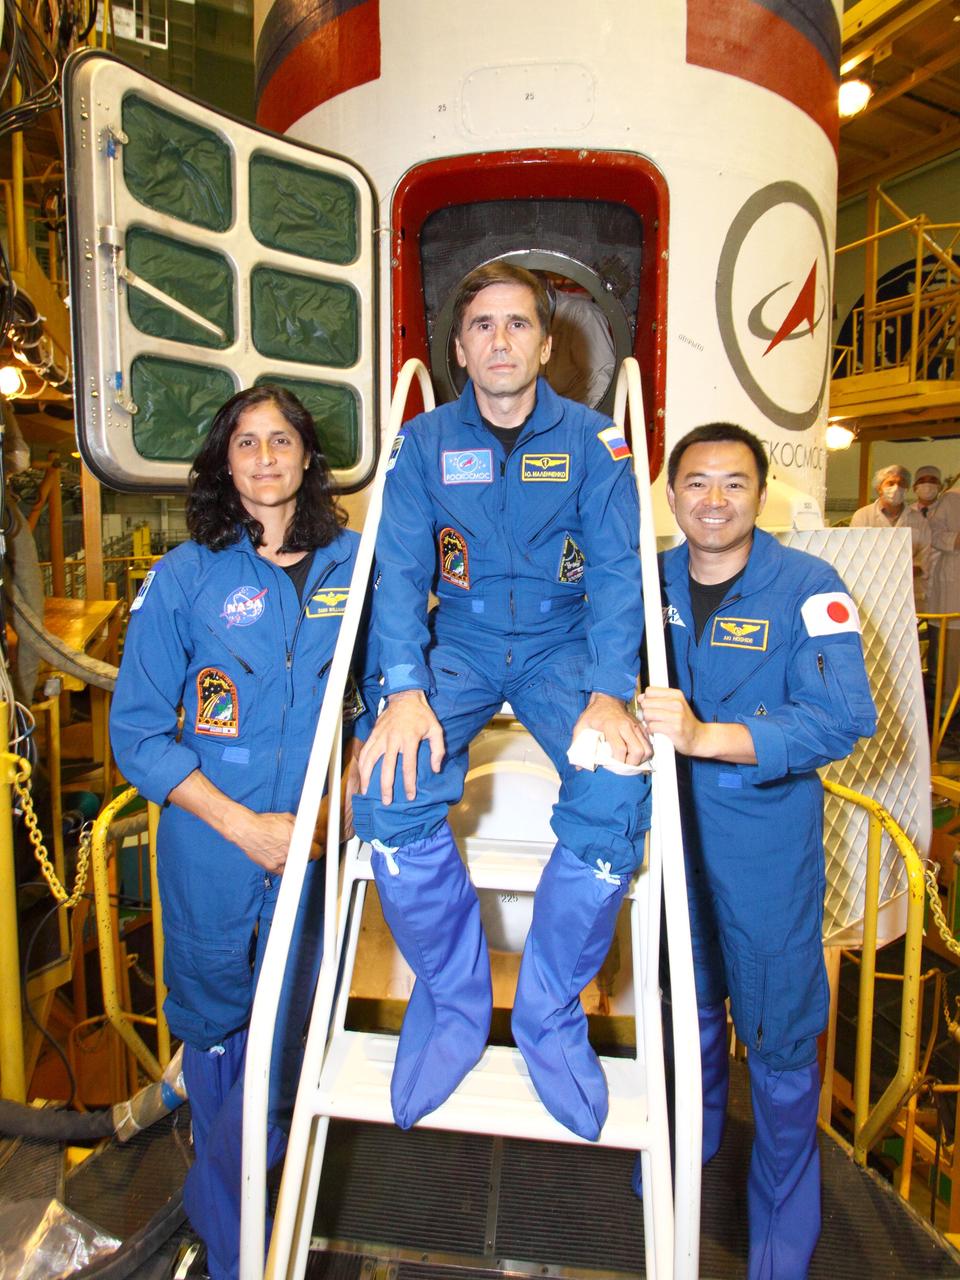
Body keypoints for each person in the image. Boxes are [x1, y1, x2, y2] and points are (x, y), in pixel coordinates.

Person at [352, 261, 652, 1142]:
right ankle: (452, 1001)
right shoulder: (423, 446)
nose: (500, 341)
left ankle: (550, 1013)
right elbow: (400, 576)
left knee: (617, 787)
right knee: (388, 785)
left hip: (565, 650)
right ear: (458, 348)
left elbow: (617, 577)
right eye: (482, 326)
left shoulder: (598, 447)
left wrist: (608, 691)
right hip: (465, 645)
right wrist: (402, 689)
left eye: (517, 324)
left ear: (546, 343)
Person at [110, 386, 374, 1279]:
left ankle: (232, 1213)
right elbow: (138, 734)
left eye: (282, 439)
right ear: (226, 462)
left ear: (308, 456)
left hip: (313, 855)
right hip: (214, 859)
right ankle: (235, 1250)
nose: (266, 457)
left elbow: (380, 706)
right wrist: (244, 828)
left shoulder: (360, 566)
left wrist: (332, 812)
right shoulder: (188, 575)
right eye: (247, 442)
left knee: (296, 1041)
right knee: (223, 1043)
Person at [638, 423, 876, 1279]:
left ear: (760, 493)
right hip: (668, 836)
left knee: (776, 1036)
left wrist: (707, 735)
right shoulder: (646, 577)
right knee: (687, 1003)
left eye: (733, 484)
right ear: (671, 496)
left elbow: (844, 718)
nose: (712, 500)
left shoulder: (810, 587)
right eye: (696, 483)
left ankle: (780, 1225)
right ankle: (685, 1151)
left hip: (764, 849)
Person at [912, 465, 960, 715]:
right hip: (949, 599)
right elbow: (939, 536)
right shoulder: (952, 499)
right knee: (947, 662)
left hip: (943, 593)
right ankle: (946, 712)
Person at [850, 463, 931, 608]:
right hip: (871, 589)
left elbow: (926, 555)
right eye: (890, 483)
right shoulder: (862, 516)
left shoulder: (919, 520)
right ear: (879, 487)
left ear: (906, 489)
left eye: (901, 484)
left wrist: (903, 572)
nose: (896, 488)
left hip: (907, 590)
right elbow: (855, 552)